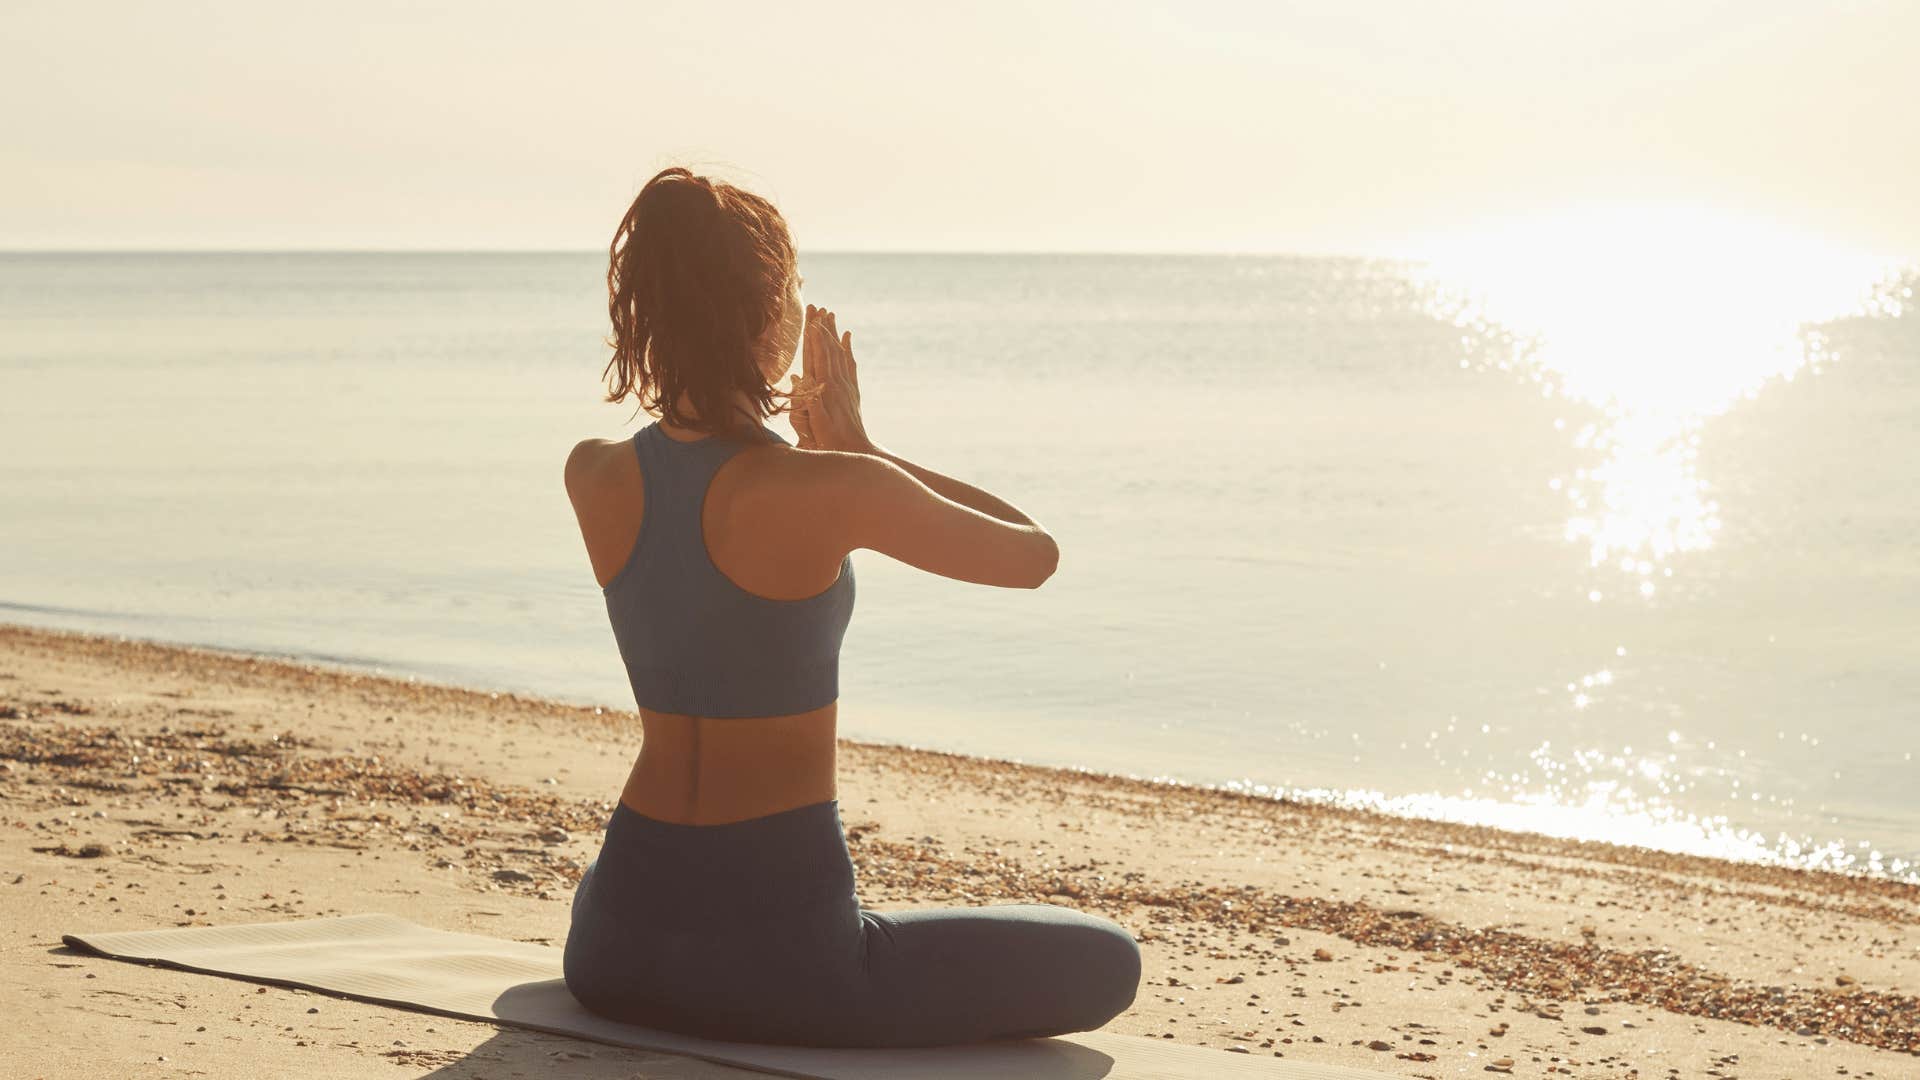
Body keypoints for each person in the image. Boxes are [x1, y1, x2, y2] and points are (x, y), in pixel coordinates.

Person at [558, 166, 1141, 1048]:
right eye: (791, 288)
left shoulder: (591, 471)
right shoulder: (837, 485)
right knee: (1109, 959)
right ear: (766, 316)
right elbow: (1033, 556)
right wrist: (866, 448)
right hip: (787, 967)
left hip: (611, 950)